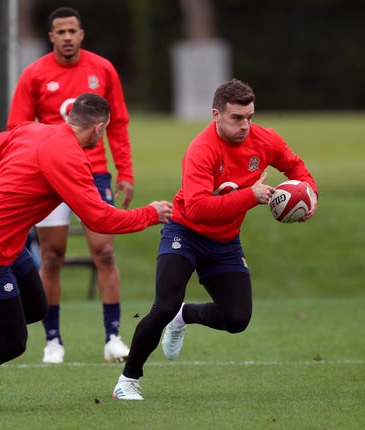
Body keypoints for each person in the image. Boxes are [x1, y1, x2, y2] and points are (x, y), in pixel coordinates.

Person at [0, 93, 172, 411]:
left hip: (5, 243)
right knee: (11, 342)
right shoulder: (69, 158)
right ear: (99, 128)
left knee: (36, 307)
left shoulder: (32, 129)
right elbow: (99, 218)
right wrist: (150, 214)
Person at [111, 79, 319, 400]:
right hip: (185, 233)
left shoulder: (265, 140)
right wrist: (251, 196)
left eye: (250, 116)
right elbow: (197, 208)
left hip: (224, 242)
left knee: (237, 319)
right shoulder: (201, 150)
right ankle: (127, 381)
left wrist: (309, 194)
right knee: (163, 306)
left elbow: (295, 166)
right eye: (237, 118)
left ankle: (186, 316)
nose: (245, 125)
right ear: (216, 115)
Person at [7, 7, 136, 364]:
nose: (66, 37)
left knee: (105, 252)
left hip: (94, 174)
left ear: (82, 34)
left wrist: (124, 171)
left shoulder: (102, 69)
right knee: (51, 256)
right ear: (51, 37)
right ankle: (53, 340)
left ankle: (113, 338)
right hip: (50, 177)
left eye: (72, 31)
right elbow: (17, 129)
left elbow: (119, 123)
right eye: (60, 31)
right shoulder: (34, 75)